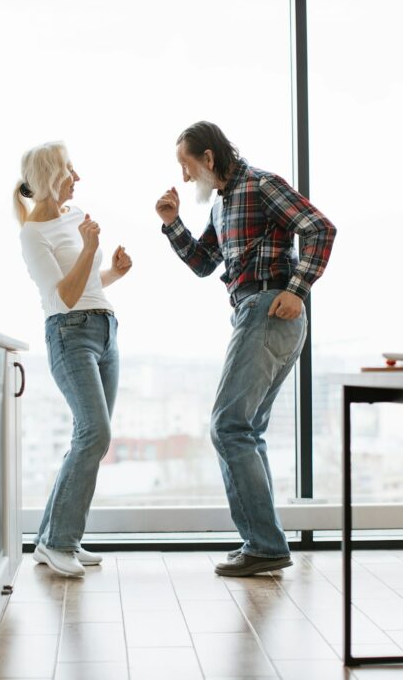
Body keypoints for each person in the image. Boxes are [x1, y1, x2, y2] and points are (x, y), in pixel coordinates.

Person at [155, 121, 336, 577]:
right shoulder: (221, 208)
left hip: (269, 308)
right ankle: (264, 544)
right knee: (246, 431)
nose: (184, 176)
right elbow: (203, 264)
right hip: (253, 313)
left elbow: (320, 229)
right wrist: (172, 223)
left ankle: (264, 544)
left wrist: (297, 289)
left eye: (187, 165)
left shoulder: (261, 185)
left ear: (209, 158)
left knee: (227, 427)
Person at [15, 141, 133, 578]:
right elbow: (63, 297)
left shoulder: (75, 215)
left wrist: (113, 274)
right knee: (95, 434)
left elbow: (84, 284)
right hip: (69, 335)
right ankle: (58, 542)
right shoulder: (32, 233)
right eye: (70, 170)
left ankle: (56, 536)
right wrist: (87, 250)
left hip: (105, 329)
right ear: (50, 177)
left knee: (89, 438)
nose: (77, 178)